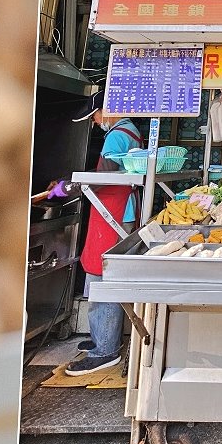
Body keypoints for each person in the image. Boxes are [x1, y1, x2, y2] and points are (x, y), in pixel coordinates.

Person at [64, 95, 143, 376]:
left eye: (95, 115)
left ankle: (105, 350)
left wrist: (72, 186)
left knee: (103, 275)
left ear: (108, 109)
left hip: (112, 213)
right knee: (108, 273)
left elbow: (107, 174)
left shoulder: (116, 137)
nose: (96, 122)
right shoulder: (132, 131)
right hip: (121, 211)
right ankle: (102, 336)